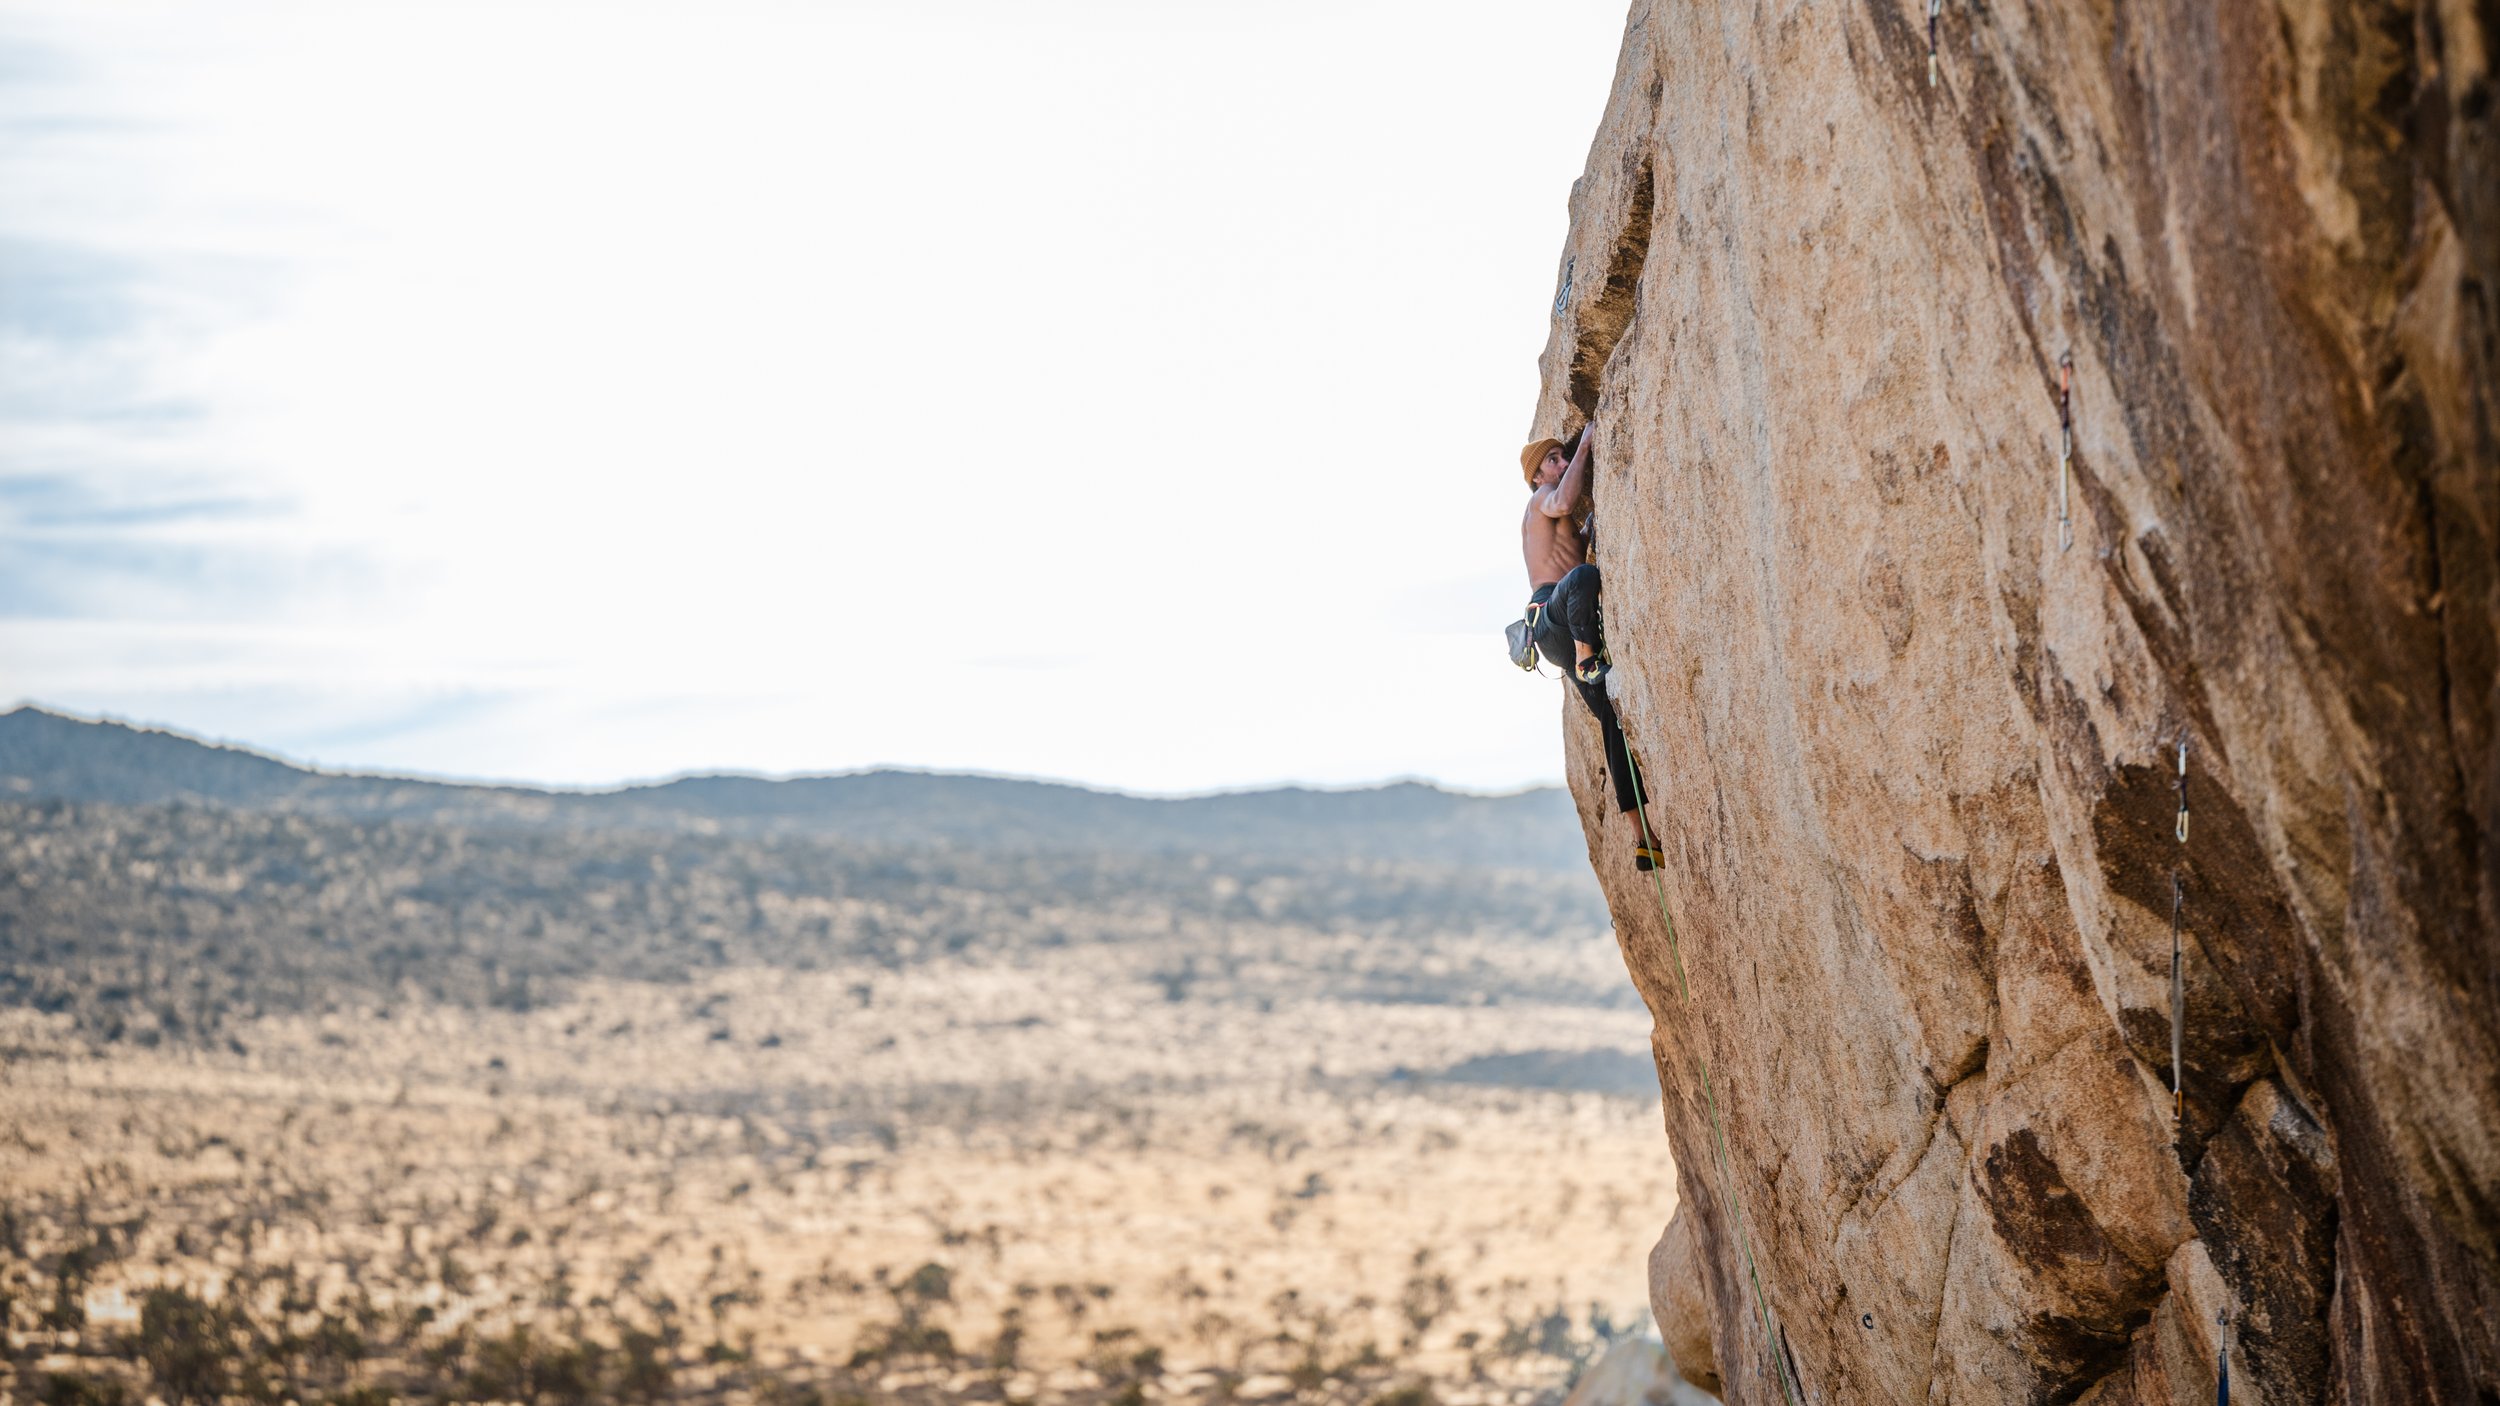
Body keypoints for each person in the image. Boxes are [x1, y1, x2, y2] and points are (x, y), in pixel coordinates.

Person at [1521, 423, 1663, 871]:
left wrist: (1588, 532)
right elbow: (1562, 504)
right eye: (1553, 461)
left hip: (1560, 631)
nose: (1562, 465)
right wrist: (1584, 444)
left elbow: (1571, 540)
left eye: (1563, 457)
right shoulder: (1541, 500)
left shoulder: (1554, 517)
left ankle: (1643, 838)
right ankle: (1588, 660)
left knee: (1613, 721)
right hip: (1551, 617)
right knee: (1584, 576)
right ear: (1537, 476)